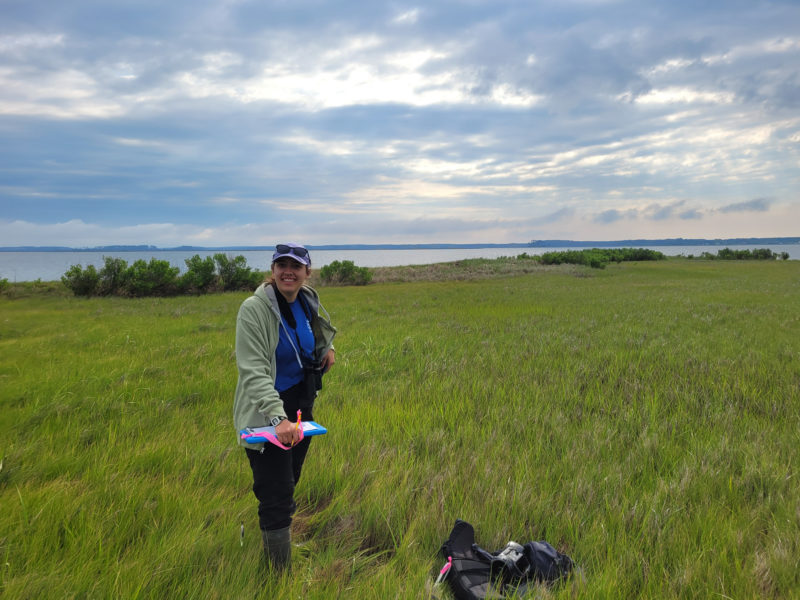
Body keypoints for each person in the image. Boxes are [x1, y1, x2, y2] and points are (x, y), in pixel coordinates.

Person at [233, 243, 336, 572]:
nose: (287, 271)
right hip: (267, 414)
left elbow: (317, 330)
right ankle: (278, 574)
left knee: (289, 479)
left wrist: (327, 348)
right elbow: (253, 371)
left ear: (308, 272)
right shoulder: (254, 309)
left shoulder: (306, 300)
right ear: (273, 270)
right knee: (275, 491)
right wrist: (278, 418)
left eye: (295, 266)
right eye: (281, 265)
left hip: (301, 408)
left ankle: (279, 541)